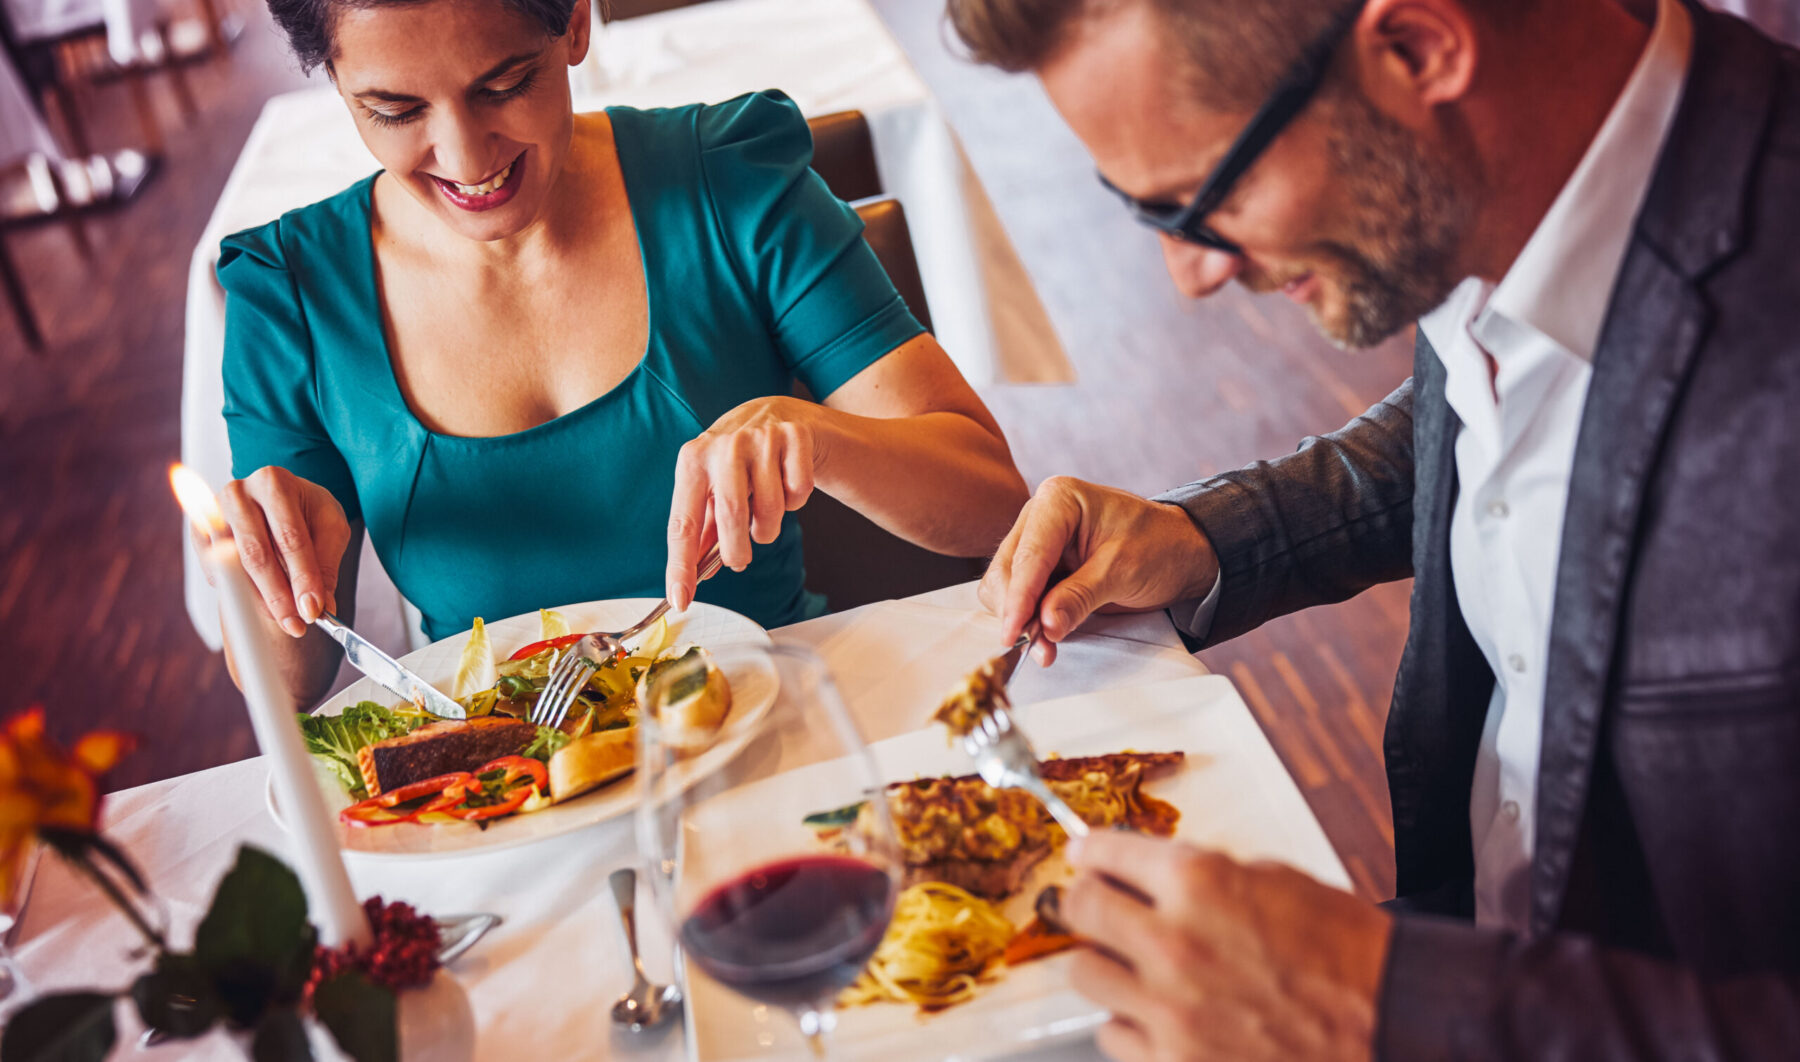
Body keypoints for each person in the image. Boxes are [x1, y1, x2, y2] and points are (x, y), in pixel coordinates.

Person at [951, 0, 1800, 1056]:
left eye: (1205, 199)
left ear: (1418, 49)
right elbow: (1521, 433)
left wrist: (1384, 1003)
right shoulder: (1496, 203)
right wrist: (1209, 536)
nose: (1192, 274)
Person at [205, 0, 1028, 704]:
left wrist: (819, 436)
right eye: (393, 111)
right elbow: (291, 689)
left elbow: (994, 502)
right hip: (499, 796)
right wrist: (281, 582)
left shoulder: (728, 180)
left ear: (572, 23)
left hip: (778, 730)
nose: (465, 158)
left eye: (504, 84)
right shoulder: (290, 297)